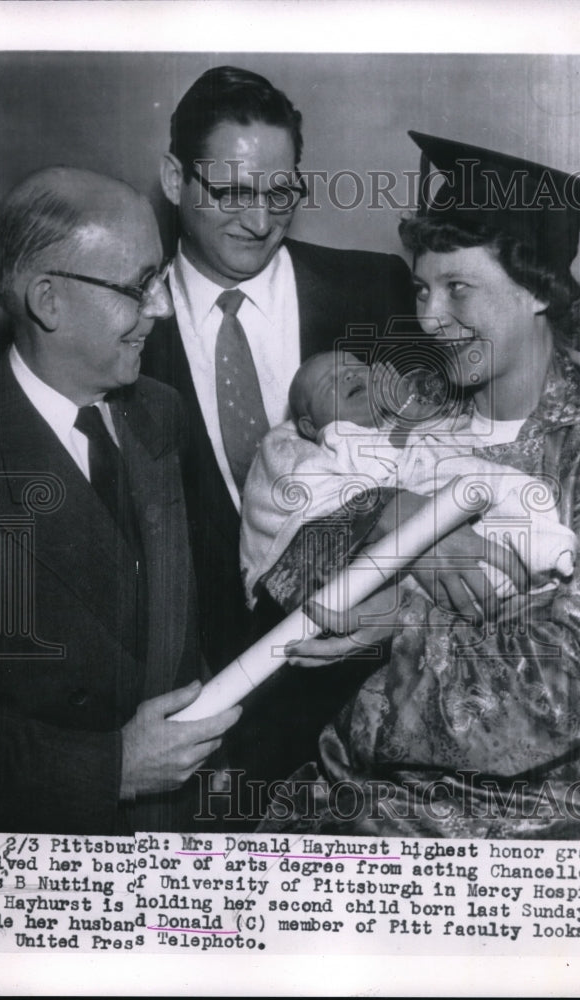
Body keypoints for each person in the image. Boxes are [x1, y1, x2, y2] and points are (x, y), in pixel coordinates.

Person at [258, 133, 580, 839]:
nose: (429, 317)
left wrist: (393, 633)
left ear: (536, 292)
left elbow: (578, 683)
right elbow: (281, 581)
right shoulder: (401, 410)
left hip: (507, 837)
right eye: (421, 288)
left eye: (458, 288)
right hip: (334, 806)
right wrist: (389, 515)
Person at [0, 167, 241, 834]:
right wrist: (110, 768)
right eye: (139, 287)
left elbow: (187, 620)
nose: (162, 308)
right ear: (49, 300)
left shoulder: (160, 414)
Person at [141, 66, 414, 795]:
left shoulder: (377, 291)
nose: (258, 220)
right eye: (229, 191)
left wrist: (405, 613)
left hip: (370, 731)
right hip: (199, 741)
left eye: (280, 192)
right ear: (174, 179)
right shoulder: (123, 329)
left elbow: (454, 476)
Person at [240, 350, 576, 612]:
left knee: (510, 485)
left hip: (450, 497)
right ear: (310, 427)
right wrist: (404, 424)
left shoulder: (392, 418)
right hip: (420, 519)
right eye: (330, 384)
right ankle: (519, 572)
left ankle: (544, 541)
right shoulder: (338, 438)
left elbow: (450, 437)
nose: (347, 376)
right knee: (469, 544)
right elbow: (376, 484)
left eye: (355, 367)